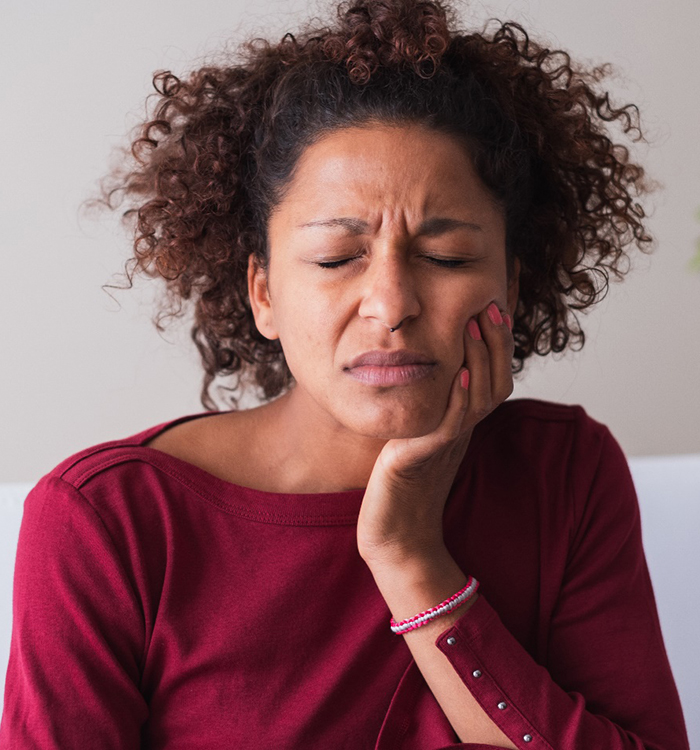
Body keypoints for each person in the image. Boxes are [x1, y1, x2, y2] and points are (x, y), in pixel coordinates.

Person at [0, 0, 690, 748]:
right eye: (336, 259)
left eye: (447, 257)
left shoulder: (564, 473)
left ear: (512, 288)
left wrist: (411, 556)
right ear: (263, 292)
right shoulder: (110, 524)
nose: (391, 306)